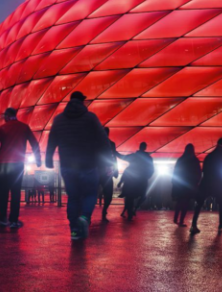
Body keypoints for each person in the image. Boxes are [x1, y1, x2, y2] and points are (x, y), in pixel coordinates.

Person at [45, 91, 111, 240]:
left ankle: (74, 230)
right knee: (90, 194)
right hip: (87, 164)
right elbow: (103, 141)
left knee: (73, 197)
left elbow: (51, 142)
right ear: (82, 102)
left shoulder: (59, 119)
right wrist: (108, 162)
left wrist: (48, 160)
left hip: (67, 165)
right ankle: (85, 218)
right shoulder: (90, 118)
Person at [0, 107, 41, 229]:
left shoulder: (2, 128)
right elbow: (34, 143)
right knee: (16, 192)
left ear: (7, 116)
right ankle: (13, 220)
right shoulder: (24, 127)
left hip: (3, 164)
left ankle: (2, 218)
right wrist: (38, 159)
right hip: (18, 164)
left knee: (3, 192)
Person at [191, 137, 222, 234]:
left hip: (207, 182)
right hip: (219, 183)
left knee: (199, 203)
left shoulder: (209, 155)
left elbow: (203, 170)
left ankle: (194, 224)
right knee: (221, 203)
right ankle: (220, 222)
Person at [117, 143, 154, 221]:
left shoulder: (133, 156)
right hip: (142, 179)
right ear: (145, 148)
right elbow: (152, 169)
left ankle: (130, 212)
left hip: (131, 179)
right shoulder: (148, 158)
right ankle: (134, 209)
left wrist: (114, 151)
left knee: (130, 197)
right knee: (143, 196)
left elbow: (121, 157)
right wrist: (147, 176)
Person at [172, 144, 200, 227]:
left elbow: (175, 172)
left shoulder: (180, 159)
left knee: (179, 201)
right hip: (189, 185)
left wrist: (174, 182)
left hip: (180, 184)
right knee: (185, 203)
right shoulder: (194, 160)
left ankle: (175, 217)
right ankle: (181, 221)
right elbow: (198, 173)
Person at [100, 127, 119, 222]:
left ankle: (88, 215)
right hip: (107, 172)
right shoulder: (111, 144)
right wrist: (116, 170)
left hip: (99, 171)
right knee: (109, 194)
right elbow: (114, 157)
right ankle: (104, 211)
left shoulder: (97, 143)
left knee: (92, 193)